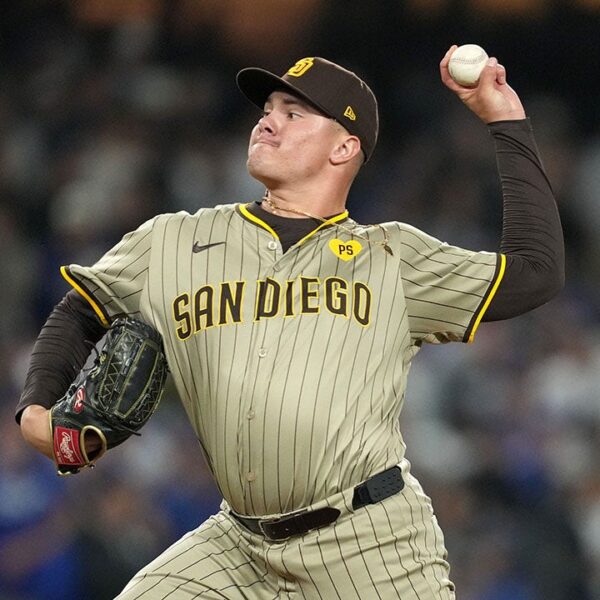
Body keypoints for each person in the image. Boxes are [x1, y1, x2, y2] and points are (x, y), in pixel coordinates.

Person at [17, 47, 564, 599]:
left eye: (294, 112)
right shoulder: (172, 242)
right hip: (237, 546)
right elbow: (81, 310)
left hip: (368, 543)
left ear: (344, 147)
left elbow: (535, 273)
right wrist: (35, 409)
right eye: (269, 108)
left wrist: (505, 120)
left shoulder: (393, 258)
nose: (268, 119)